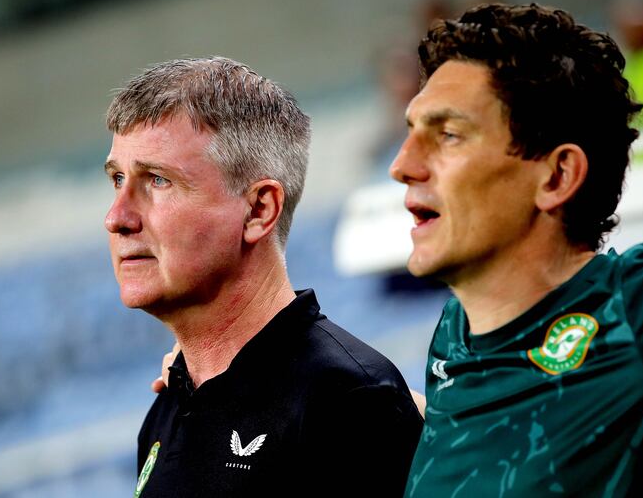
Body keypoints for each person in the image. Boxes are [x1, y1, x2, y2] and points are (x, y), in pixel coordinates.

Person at [103, 57, 422, 497]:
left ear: (259, 210)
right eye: (117, 179)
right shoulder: (166, 407)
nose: (116, 217)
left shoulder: (347, 401)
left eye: (157, 180)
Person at [388, 3, 643, 496]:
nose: (403, 165)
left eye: (449, 135)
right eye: (411, 132)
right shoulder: (454, 336)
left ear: (557, 176)